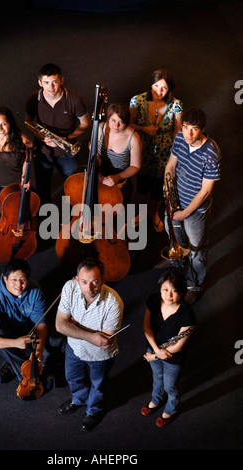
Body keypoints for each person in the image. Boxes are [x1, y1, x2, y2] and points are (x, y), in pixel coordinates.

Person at [55, 258, 124, 432]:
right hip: (74, 347)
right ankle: (79, 400)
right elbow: (59, 325)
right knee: (73, 378)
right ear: (77, 280)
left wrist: (74, 325)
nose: (89, 288)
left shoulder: (114, 303)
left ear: (103, 280)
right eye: (84, 282)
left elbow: (103, 341)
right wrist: (91, 335)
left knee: (98, 385)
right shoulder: (69, 287)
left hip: (100, 355)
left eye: (94, 281)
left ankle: (94, 411)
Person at [164, 107, 221, 304]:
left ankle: (194, 285)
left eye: (193, 129)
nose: (188, 134)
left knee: (197, 250)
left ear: (202, 129)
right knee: (172, 233)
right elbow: (171, 165)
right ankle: (178, 260)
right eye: (185, 127)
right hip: (176, 202)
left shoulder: (211, 153)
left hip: (194, 211)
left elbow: (205, 191)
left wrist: (185, 213)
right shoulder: (180, 138)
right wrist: (169, 192)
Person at [25, 63, 91, 204]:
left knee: (73, 188)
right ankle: (46, 220)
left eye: (55, 82)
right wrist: (40, 136)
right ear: (40, 83)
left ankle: (75, 219)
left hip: (67, 152)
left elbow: (86, 124)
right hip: (43, 151)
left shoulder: (74, 99)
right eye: (46, 82)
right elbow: (28, 122)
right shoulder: (33, 99)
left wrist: (65, 138)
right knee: (43, 189)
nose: (51, 87)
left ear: (61, 80)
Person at [0, 259, 49, 387]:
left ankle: (14, 362)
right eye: (14, 280)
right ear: (5, 279)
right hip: (8, 333)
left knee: (55, 345)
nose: (19, 285)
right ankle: (31, 374)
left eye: (23, 280)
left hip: (30, 330)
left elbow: (41, 323)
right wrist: (15, 343)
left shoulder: (35, 290)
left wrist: (39, 348)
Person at [130, 69, 183, 232]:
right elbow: (128, 124)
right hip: (142, 151)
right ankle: (141, 213)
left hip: (164, 154)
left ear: (169, 89)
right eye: (156, 85)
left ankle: (153, 214)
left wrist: (176, 158)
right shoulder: (137, 100)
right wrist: (144, 129)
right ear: (151, 84)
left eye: (164, 88)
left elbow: (177, 131)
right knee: (142, 186)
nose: (159, 91)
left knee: (158, 189)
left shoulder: (176, 104)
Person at [142, 270, 196, 427]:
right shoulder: (153, 301)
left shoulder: (187, 315)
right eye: (165, 289)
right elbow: (147, 327)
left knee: (170, 385)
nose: (169, 295)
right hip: (153, 348)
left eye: (174, 291)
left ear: (181, 293)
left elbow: (178, 346)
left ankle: (171, 408)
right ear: (160, 289)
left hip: (174, 356)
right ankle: (156, 400)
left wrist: (154, 356)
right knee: (157, 378)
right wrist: (155, 350)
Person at [97, 102, 142, 203]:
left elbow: (135, 166)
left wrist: (118, 177)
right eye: (113, 120)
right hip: (99, 176)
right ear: (108, 118)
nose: (116, 125)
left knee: (118, 211)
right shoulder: (100, 128)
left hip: (121, 179)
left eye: (121, 122)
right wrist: (95, 158)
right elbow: (92, 146)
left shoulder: (133, 137)